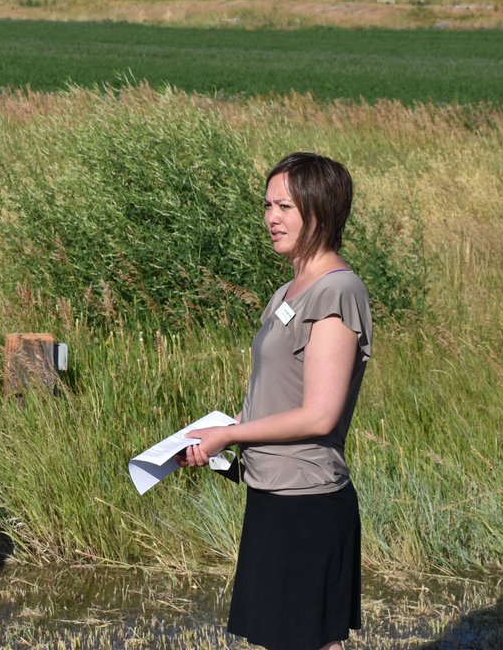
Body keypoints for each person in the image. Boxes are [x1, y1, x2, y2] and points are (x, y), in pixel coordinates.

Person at [179, 153, 371, 650]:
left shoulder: (337, 292)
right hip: (271, 492)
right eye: (267, 204)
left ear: (320, 210)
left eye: (284, 205)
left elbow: (320, 414)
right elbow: (278, 396)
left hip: (307, 501)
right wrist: (217, 437)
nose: (270, 217)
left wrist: (231, 434)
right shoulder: (288, 290)